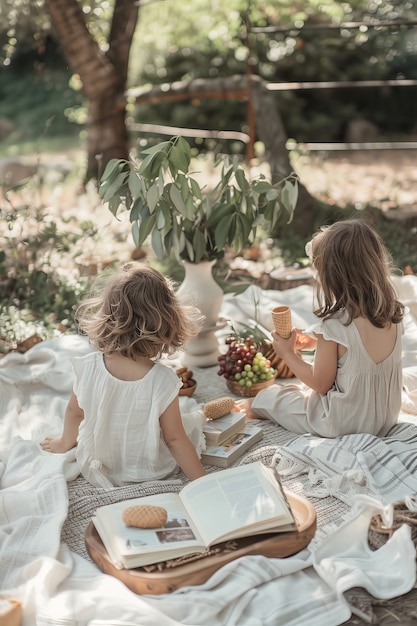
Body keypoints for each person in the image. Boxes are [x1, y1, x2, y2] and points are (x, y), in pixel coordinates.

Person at [41, 262, 207, 486]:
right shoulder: (163, 381)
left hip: (97, 465)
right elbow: (174, 439)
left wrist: (63, 443)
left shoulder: (87, 367)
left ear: (108, 315)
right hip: (148, 470)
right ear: (167, 320)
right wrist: (203, 481)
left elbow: (74, 412)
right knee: (192, 428)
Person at [237, 219, 405, 437]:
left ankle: (256, 406)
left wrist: (288, 354)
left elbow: (320, 384)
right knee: (299, 392)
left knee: (281, 397)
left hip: (342, 423)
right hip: (384, 418)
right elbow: (358, 348)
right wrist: (315, 342)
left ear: (332, 277)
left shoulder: (335, 325)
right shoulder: (393, 312)